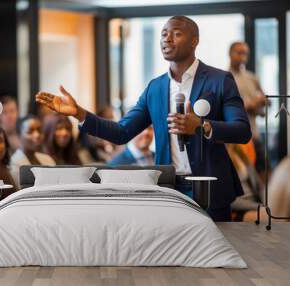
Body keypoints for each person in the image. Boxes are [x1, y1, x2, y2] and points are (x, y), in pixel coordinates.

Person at [36, 16, 251, 221]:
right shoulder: (155, 88)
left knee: (216, 253)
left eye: (176, 34)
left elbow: (242, 130)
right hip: (169, 187)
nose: (167, 38)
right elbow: (121, 132)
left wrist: (202, 126)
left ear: (194, 41)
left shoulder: (220, 80)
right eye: (164, 34)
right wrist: (79, 113)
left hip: (210, 186)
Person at [229, 41, 266, 177]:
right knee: (239, 175)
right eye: (239, 52)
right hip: (233, 138)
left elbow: (264, 103)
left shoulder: (252, 78)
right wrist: (249, 105)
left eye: (245, 53)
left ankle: (263, 199)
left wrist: (261, 104)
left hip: (253, 132)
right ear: (230, 54)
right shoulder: (223, 77)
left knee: (262, 172)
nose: (242, 57)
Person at [9, 115, 56, 186]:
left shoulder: (48, 159)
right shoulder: (13, 164)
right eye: (30, 131)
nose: (37, 135)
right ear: (19, 135)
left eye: (39, 130)